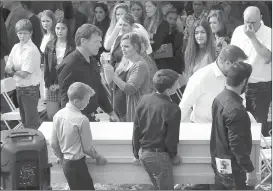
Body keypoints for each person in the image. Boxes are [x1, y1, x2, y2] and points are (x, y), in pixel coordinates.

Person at [49, 82, 108, 190]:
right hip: (77, 165)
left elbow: (53, 142)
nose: (88, 102)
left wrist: (61, 157)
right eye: (86, 100)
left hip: (67, 164)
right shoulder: (81, 120)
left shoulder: (58, 115)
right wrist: (98, 157)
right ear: (76, 101)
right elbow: (87, 148)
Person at [57, 24, 119, 122]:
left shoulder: (93, 61)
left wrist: (111, 112)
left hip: (92, 119)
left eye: (100, 41)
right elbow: (65, 99)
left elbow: (98, 89)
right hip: (76, 122)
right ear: (83, 41)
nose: (100, 45)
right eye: (96, 42)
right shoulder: (69, 65)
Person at [132, 69, 182, 190]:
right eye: (176, 84)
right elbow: (172, 137)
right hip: (159, 155)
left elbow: (136, 128)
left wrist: (135, 153)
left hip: (143, 153)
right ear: (168, 90)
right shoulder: (173, 108)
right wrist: (174, 155)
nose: (179, 85)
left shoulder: (143, 100)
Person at [210, 62, 257, 190]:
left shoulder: (219, 98)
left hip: (220, 163)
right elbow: (237, 145)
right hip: (235, 170)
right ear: (244, 82)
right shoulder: (236, 110)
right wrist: (249, 170)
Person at [231, 6, 272, 136]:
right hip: (240, 84)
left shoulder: (269, 33)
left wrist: (253, 38)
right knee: (240, 122)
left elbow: (268, 57)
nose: (249, 26)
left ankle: (261, 152)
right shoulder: (238, 31)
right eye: (246, 22)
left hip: (260, 86)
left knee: (259, 124)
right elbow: (233, 54)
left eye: (252, 23)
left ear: (261, 18)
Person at [179, 45, 247, 123]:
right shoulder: (201, 77)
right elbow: (185, 105)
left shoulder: (237, 76)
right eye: (238, 65)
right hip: (202, 128)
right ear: (227, 63)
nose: (241, 68)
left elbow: (241, 102)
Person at [104, 32, 151, 122]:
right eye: (121, 46)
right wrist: (107, 70)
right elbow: (113, 86)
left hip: (131, 113)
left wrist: (113, 75)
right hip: (118, 112)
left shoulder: (140, 65)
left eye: (126, 46)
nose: (123, 49)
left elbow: (130, 89)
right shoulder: (124, 62)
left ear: (136, 47)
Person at [5, 19, 42, 129]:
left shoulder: (31, 50)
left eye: (25, 33)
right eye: (20, 33)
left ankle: (35, 145)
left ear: (30, 33)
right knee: (25, 122)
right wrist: (16, 70)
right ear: (16, 34)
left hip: (30, 90)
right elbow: (7, 68)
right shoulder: (16, 47)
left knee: (31, 123)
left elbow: (25, 74)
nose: (22, 36)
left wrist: (14, 70)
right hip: (19, 88)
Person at [44, 18, 74, 121]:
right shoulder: (49, 45)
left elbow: (73, 69)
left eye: (63, 28)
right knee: (52, 116)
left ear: (68, 30)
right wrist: (48, 84)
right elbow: (46, 68)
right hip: (52, 84)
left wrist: (60, 85)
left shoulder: (72, 46)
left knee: (67, 117)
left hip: (68, 85)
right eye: (57, 28)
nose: (59, 31)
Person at [183, 18, 216, 84]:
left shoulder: (214, 53)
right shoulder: (189, 53)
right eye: (196, 33)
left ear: (208, 34)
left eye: (203, 32)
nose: (199, 36)